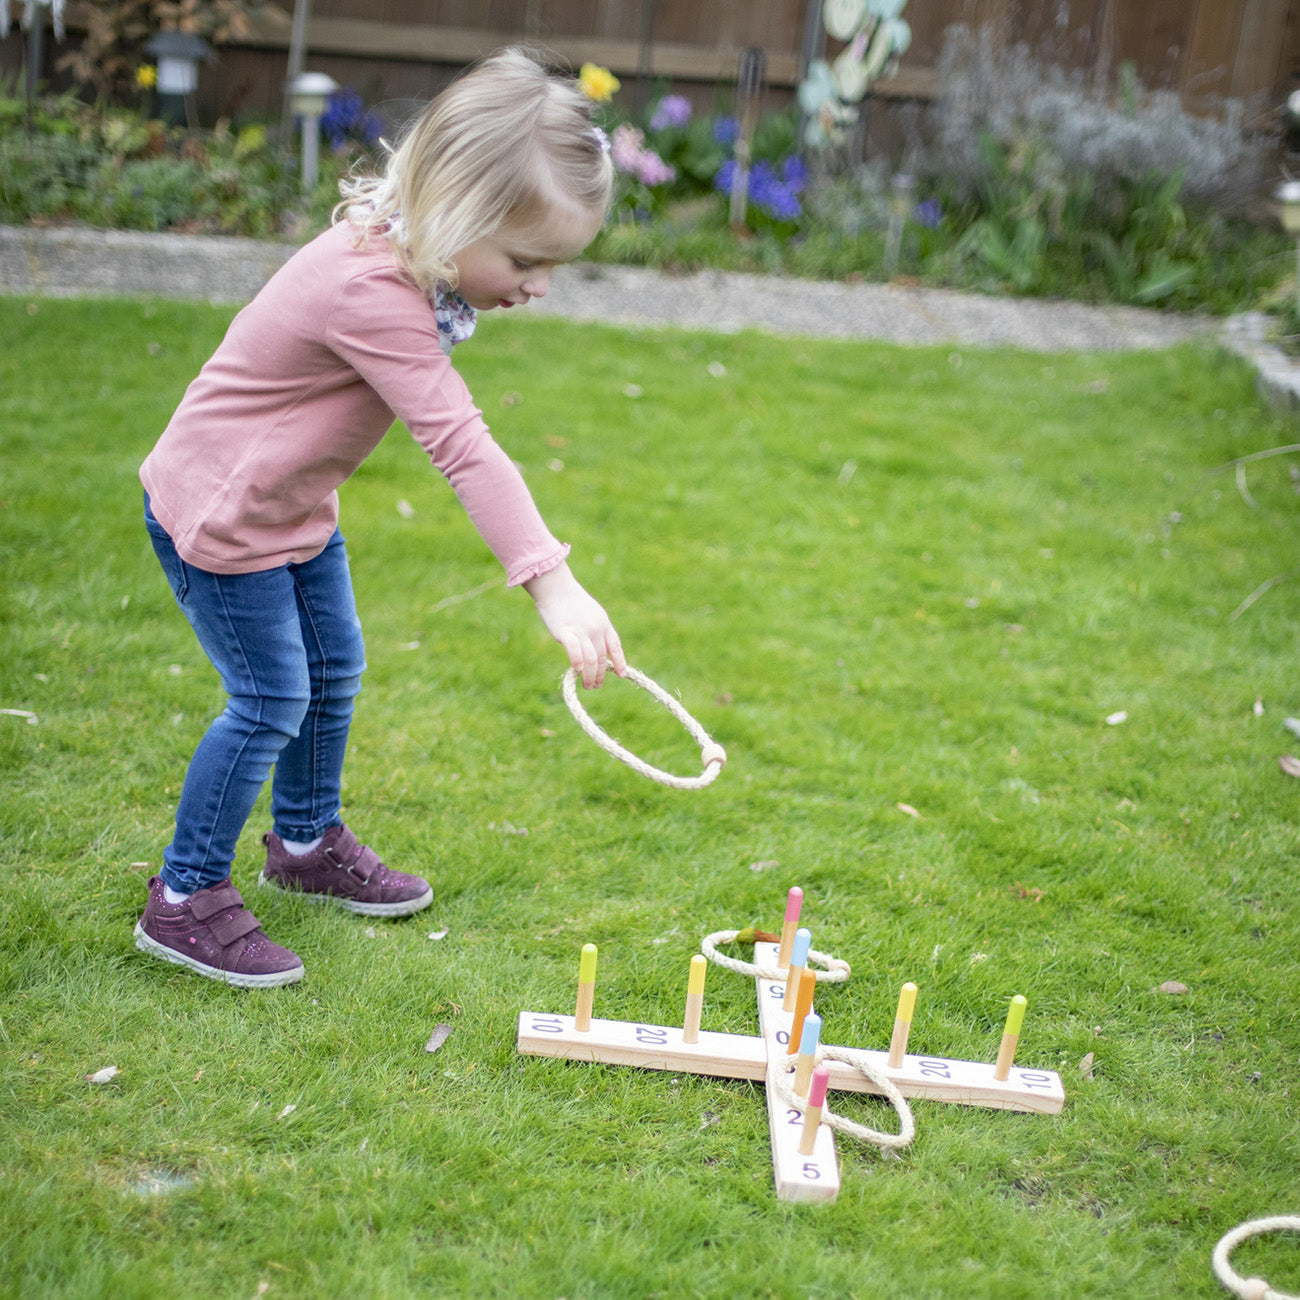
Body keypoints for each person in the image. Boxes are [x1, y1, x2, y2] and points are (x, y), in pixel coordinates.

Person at [134, 47, 627, 988]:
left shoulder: (405, 257)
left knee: (333, 668)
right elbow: (461, 444)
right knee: (271, 699)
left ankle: (304, 842)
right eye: (526, 260)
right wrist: (552, 583)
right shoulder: (370, 288)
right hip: (224, 518)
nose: (538, 286)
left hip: (290, 508)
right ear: (455, 212)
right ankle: (184, 897)